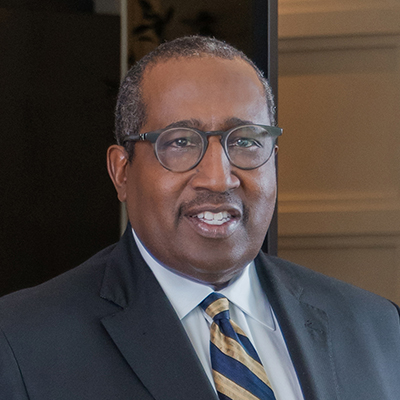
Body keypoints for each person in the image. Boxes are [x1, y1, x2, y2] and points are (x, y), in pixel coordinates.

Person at [0, 36, 399, 400]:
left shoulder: (377, 327)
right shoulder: (21, 342)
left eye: (245, 141)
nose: (218, 178)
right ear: (122, 172)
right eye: (180, 143)